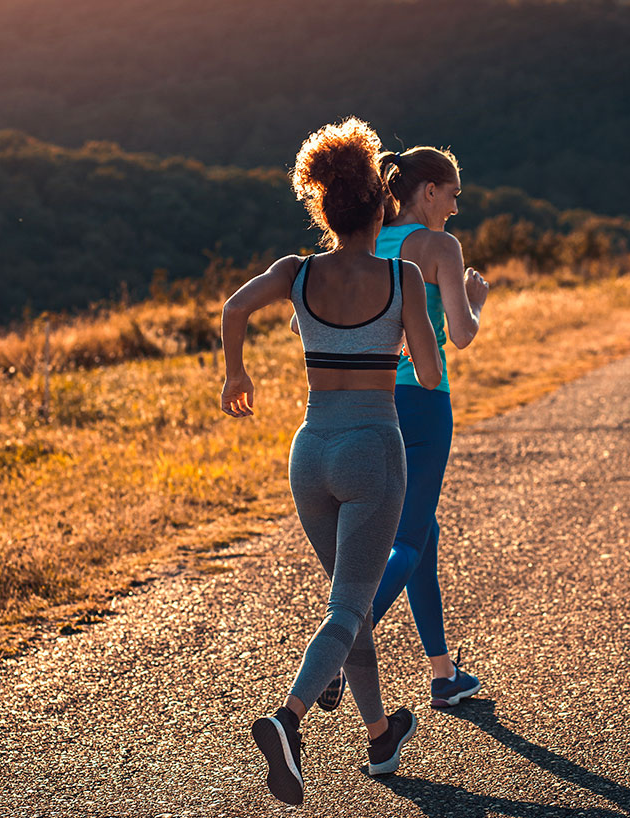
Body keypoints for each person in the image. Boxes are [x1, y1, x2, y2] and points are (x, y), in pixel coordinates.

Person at [220, 118, 442, 805]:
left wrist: (236, 376)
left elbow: (232, 308)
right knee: (349, 604)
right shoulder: (401, 277)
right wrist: (401, 347)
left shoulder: (297, 272)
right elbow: (430, 376)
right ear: (380, 208)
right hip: (373, 449)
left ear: (328, 209)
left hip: (309, 451)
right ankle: (286, 720)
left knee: (345, 607)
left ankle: (380, 732)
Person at [314, 146, 488, 715]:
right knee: (407, 541)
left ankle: (443, 674)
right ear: (429, 191)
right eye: (453, 195)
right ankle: (338, 651)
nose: (455, 208)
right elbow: (459, 335)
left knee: (424, 536)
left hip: (368, 403)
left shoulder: (368, 240)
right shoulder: (440, 247)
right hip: (425, 404)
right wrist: (478, 300)